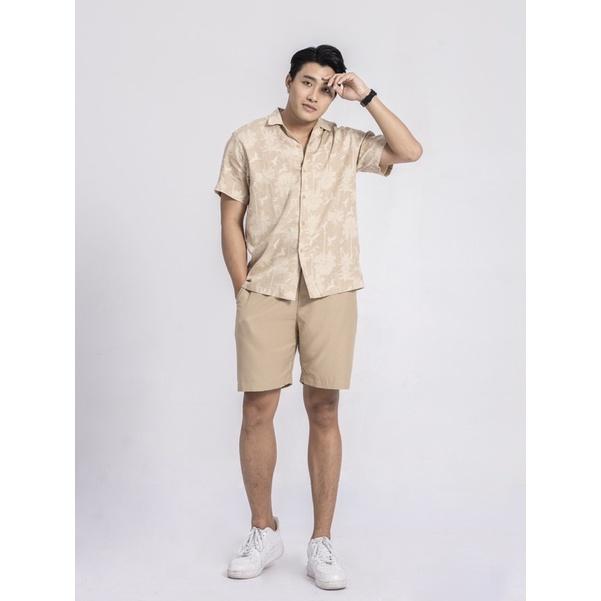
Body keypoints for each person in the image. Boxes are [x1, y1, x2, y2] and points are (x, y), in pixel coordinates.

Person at [213, 44, 422, 590]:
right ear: (288, 81)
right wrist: (243, 289)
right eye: (308, 82)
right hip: (267, 290)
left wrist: (366, 97)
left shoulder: (344, 142)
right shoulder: (247, 140)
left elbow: (409, 151)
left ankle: (321, 540)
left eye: (327, 88)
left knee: (324, 408)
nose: (315, 95)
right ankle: (263, 530)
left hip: (331, 288)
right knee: (257, 409)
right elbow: (230, 220)